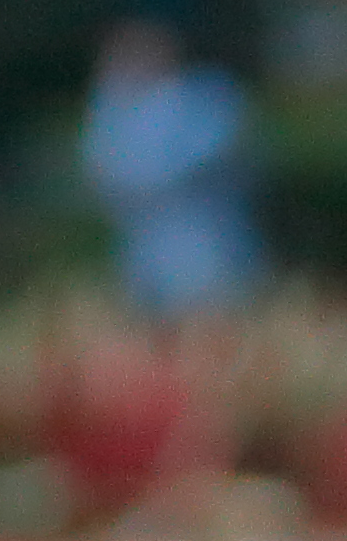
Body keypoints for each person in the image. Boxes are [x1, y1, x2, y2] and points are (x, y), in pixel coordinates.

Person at [76, 17, 262, 320]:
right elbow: (100, 170)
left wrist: (138, 180)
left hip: (204, 240)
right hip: (142, 247)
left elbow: (187, 165)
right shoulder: (114, 104)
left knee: (210, 321)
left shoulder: (206, 99)